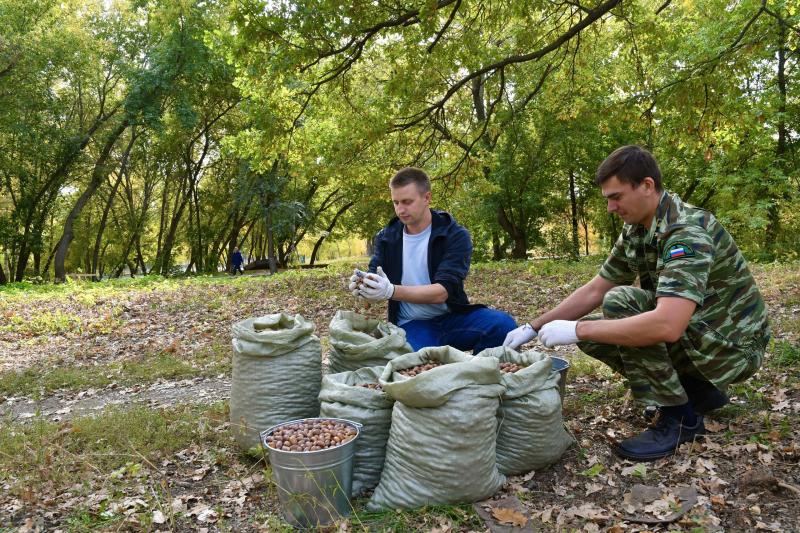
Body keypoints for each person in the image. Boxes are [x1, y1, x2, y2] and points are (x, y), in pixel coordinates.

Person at [503, 145, 769, 461]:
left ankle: (679, 418)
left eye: (616, 197)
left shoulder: (685, 232)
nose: (610, 207)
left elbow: (668, 325)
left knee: (619, 306)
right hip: (701, 333)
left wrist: (579, 329)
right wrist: (534, 327)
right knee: (602, 326)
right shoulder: (638, 228)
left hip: (733, 349)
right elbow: (596, 289)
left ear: (646, 185)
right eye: (607, 199)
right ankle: (698, 391)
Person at [349, 167, 517, 353]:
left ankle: (481, 373)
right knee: (422, 362)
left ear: (427, 198)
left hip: (453, 317)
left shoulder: (454, 235)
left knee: (503, 326)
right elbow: (375, 277)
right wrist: (364, 286)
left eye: (407, 202)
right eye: (395, 202)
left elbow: (441, 293)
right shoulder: (386, 238)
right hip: (412, 323)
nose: (400, 210)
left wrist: (390, 291)